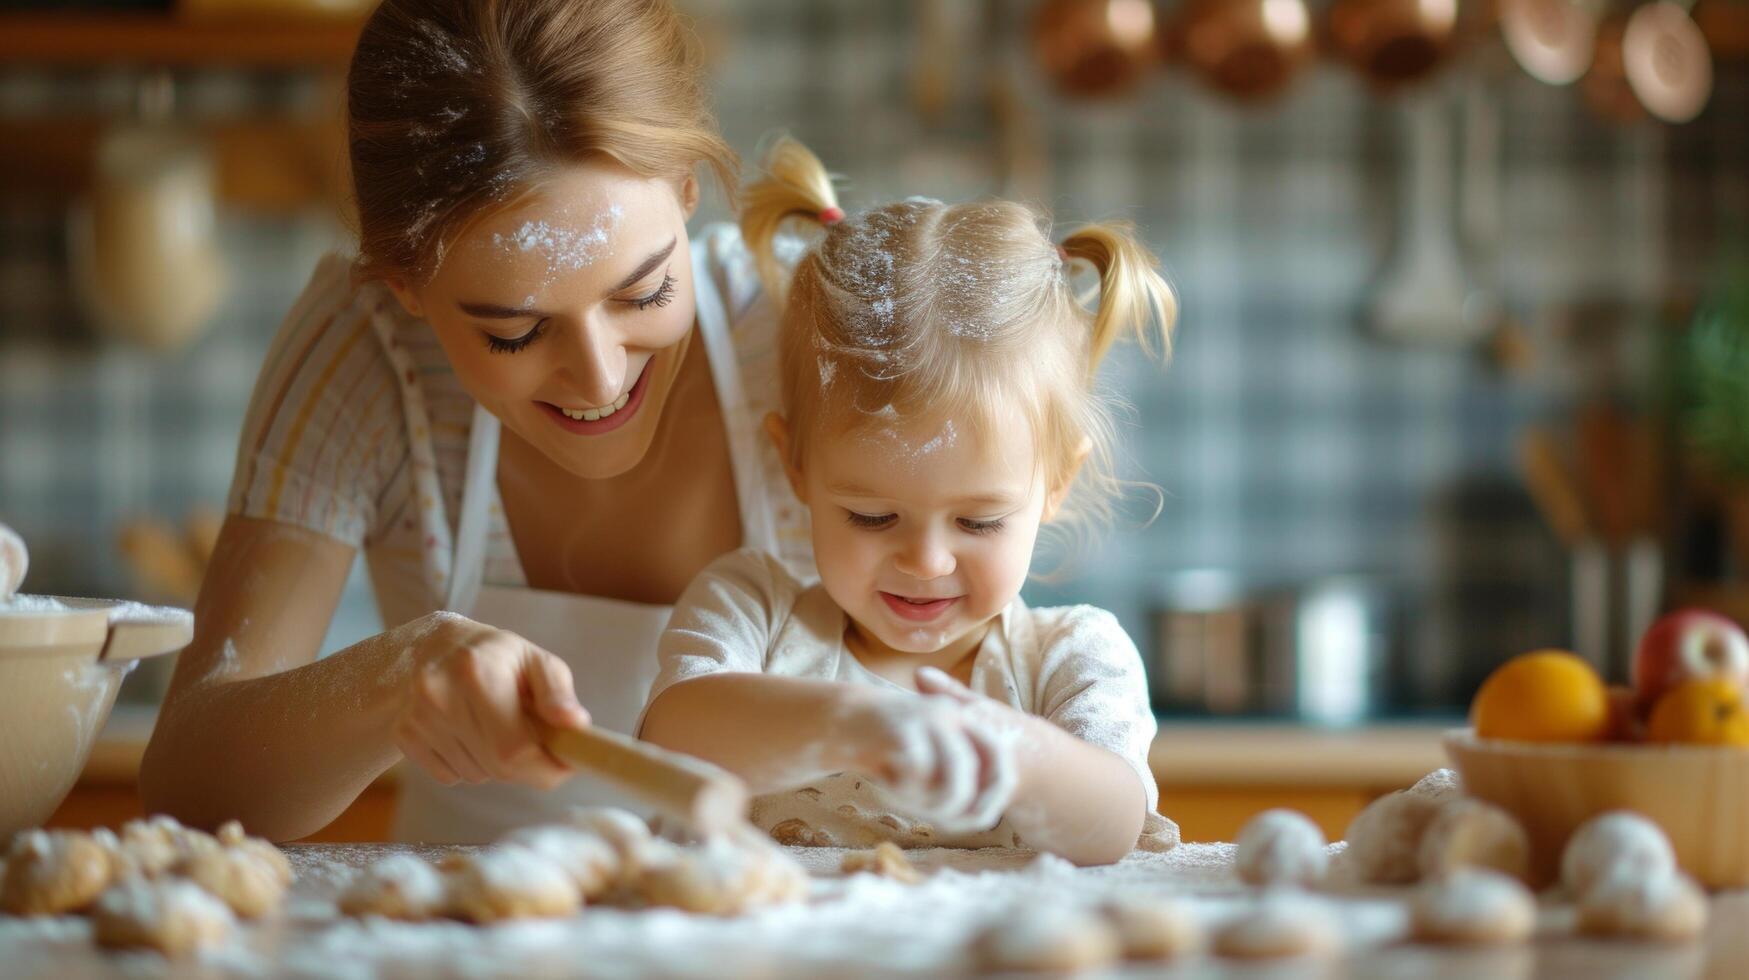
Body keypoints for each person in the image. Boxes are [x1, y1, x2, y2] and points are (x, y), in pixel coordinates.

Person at [140, 0, 813, 843]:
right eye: (514, 332)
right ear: (407, 290)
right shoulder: (370, 356)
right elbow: (187, 785)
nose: (600, 376)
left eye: (643, 293)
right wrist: (396, 678)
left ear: (685, 191)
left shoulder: (811, 334)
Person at [638, 140, 1180, 865]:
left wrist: (1010, 751)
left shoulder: (1068, 658)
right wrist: (856, 723)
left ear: (1055, 484)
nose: (924, 562)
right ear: (794, 465)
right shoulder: (753, 611)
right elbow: (671, 738)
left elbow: (1109, 825)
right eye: (871, 516)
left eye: (977, 521)